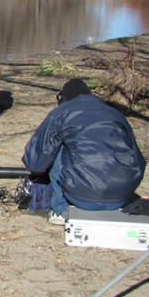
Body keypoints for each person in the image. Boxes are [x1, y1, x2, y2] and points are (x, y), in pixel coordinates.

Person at [22, 78, 146, 224]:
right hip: (121, 197)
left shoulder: (62, 112)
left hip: (83, 197)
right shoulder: (116, 115)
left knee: (60, 147)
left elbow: (35, 163)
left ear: (63, 99)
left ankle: (61, 210)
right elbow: (138, 160)